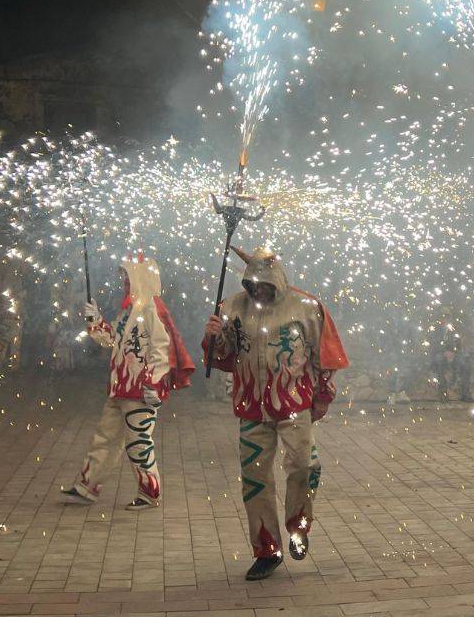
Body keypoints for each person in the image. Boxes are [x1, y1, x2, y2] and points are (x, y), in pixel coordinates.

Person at [204, 246, 348, 582]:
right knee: (255, 480)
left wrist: (321, 395)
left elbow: (324, 355)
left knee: (305, 464)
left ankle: (298, 527)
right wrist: (213, 337)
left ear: (277, 279)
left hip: (293, 404)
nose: (260, 290)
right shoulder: (232, 307)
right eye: (253, 284)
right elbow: (222, 355)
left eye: (265, 283)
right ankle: (267, 549)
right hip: (252, 408)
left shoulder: (307, 307)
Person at [60, 256, 195, 510]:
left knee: (139, 443)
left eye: (127, 275)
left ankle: (149, 493)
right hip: (121, 388)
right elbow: (111, 340)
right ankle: (87, 486)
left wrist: (152, 384)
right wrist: (95, 320)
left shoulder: (152, 309)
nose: (123, 280)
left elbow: (161, 348)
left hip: (140, 392)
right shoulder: (128, 310)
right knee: (105, 438)